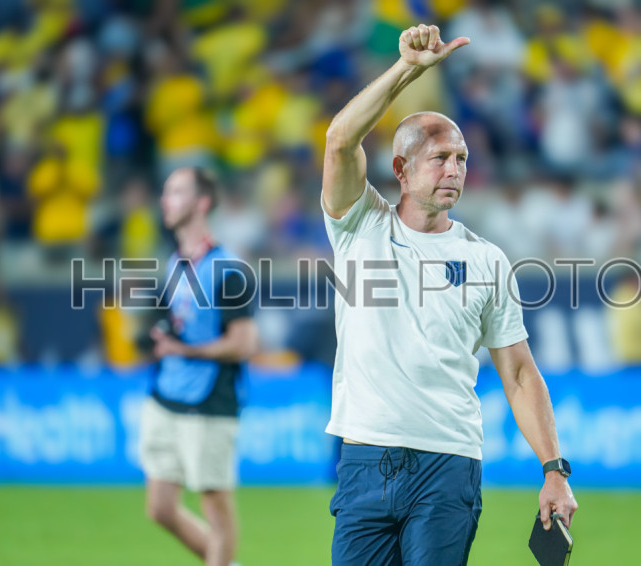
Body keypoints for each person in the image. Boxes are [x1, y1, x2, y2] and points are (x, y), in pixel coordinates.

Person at [321, 24, 578, 565]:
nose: (454, 170)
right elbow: (340, 139)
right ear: (400, 169)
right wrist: (406, 70)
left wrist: (554, 470)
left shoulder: (487, 260)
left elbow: (519, 373)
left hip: (449, 463)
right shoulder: (359, 225)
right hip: (365, 457)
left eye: (461, 158)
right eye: (439, 157)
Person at [140, 167, 259, 566]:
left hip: (209, 399)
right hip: (167, 395)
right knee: (160, 508)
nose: (165, 200)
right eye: (165, 191)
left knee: (216, 509)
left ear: (202, 203)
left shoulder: (228, 267)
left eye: (176, 192)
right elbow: (181, 324)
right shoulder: (175, 262)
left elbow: (244, 343)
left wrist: (184, 350)